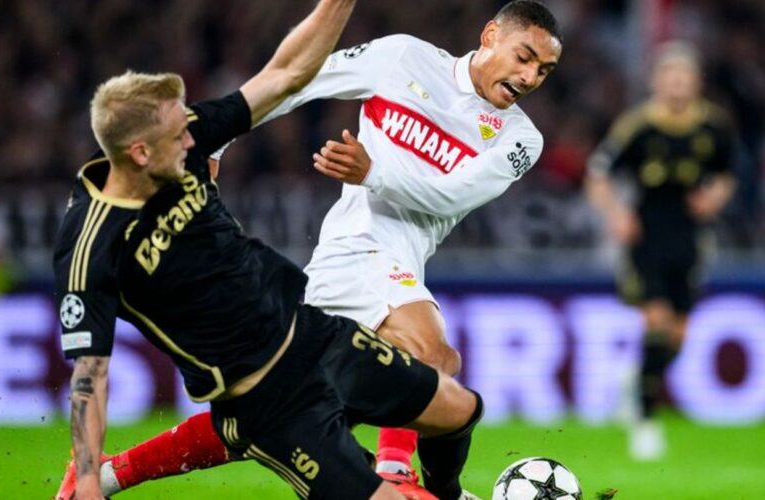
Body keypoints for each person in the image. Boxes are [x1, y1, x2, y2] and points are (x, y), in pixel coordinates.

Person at [57, 0, 561, 496]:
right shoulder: (402, 58)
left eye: (545, 69)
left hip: (394, 262)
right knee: (433, 353)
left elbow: (454, 194)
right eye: (525, 57)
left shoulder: (519, 139)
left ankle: (110, 474)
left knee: (269, 409)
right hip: (356, 246)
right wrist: (218, 142)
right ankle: (400, 475)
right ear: (490, 34)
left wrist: (374, 172)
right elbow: (304, 79)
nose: (532, 76)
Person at [585, 40, 737, 461]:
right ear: (656, 81)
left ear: (695, 82)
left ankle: (636, 379)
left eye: (683, 76)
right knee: (656, 320)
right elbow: (597, 175)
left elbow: (726, 174)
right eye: (669, 76)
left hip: (690, 236)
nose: (676, 84)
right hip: (646, 233)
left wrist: (714, 199)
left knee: (678, 335)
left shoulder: (713, 126)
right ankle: (645, 420)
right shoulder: (638, 126)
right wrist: (616, 215)